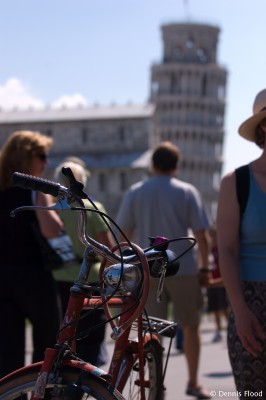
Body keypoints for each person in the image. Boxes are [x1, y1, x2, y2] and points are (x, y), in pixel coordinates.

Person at [116, 141, 211, 399]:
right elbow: (202, 234)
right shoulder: (187, 191)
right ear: (176, 166)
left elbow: (125, 234)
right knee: (191, 327)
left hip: (148, 271)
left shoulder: (135, 192)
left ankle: (154, 383)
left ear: (152, 165)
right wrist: (204, 268)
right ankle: (193, 382)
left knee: (149, 332)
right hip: (184, 267)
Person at [0, 130, 63, 378]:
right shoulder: (34, 190)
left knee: (7, 353)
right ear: (26, 158)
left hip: (2, 278)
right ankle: (42, 393)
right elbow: (52, 230)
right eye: (42, 156)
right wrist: (41, 197)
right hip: (34, 277)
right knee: (48, 345)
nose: (46, 162)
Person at [217, 88, 266, 396]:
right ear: (264, 126)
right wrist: (240, 311)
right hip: (253, 305)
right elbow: (227, 250)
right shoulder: (237, 182)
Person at [53, 158, 114, 366]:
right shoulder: (93, 207)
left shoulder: (52, 210)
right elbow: (108, 249)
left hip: (58, 277)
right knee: (91, 336)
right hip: (91, 278)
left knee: (64, 334)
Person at [206, 227, 229, 343]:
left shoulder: (220, 249)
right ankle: (218, 331)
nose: (211, 237)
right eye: (210, 235)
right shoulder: (208, 250)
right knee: (215, 309)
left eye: (213, 235)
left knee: (224, 308)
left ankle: (229, 327)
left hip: (221, 283)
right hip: (211, 284)